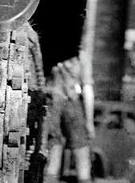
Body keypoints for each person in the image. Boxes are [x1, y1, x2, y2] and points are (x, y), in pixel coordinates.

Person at [44, 53, 94, 183]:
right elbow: (88, 90)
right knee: (81, 149)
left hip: (51, 102)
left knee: (54, 147)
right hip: (71, 102)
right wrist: (89, 122)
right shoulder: (81, 56)